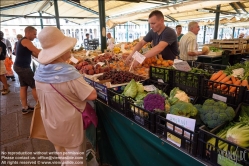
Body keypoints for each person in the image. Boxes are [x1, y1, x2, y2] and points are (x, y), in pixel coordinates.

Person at [34, 26, 97, 166]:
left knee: (62, 154)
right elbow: (92, 95)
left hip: (50, 123)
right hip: (69, 127)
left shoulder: (39, 73)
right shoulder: (68, 74)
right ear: (60, 52)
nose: (70, 49)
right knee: (75, 159)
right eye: (66, 47)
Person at [14, 26, 40, 115]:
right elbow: (37, 51)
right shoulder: (26, 41)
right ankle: (40, 107)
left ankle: (25, 108)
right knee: (34, 86)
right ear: (28, 33)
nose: (35, 36)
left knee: (23, 87)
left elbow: (34, 54)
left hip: (18, 66)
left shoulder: (22, 41)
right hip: (23, 68)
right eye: (34, 34)